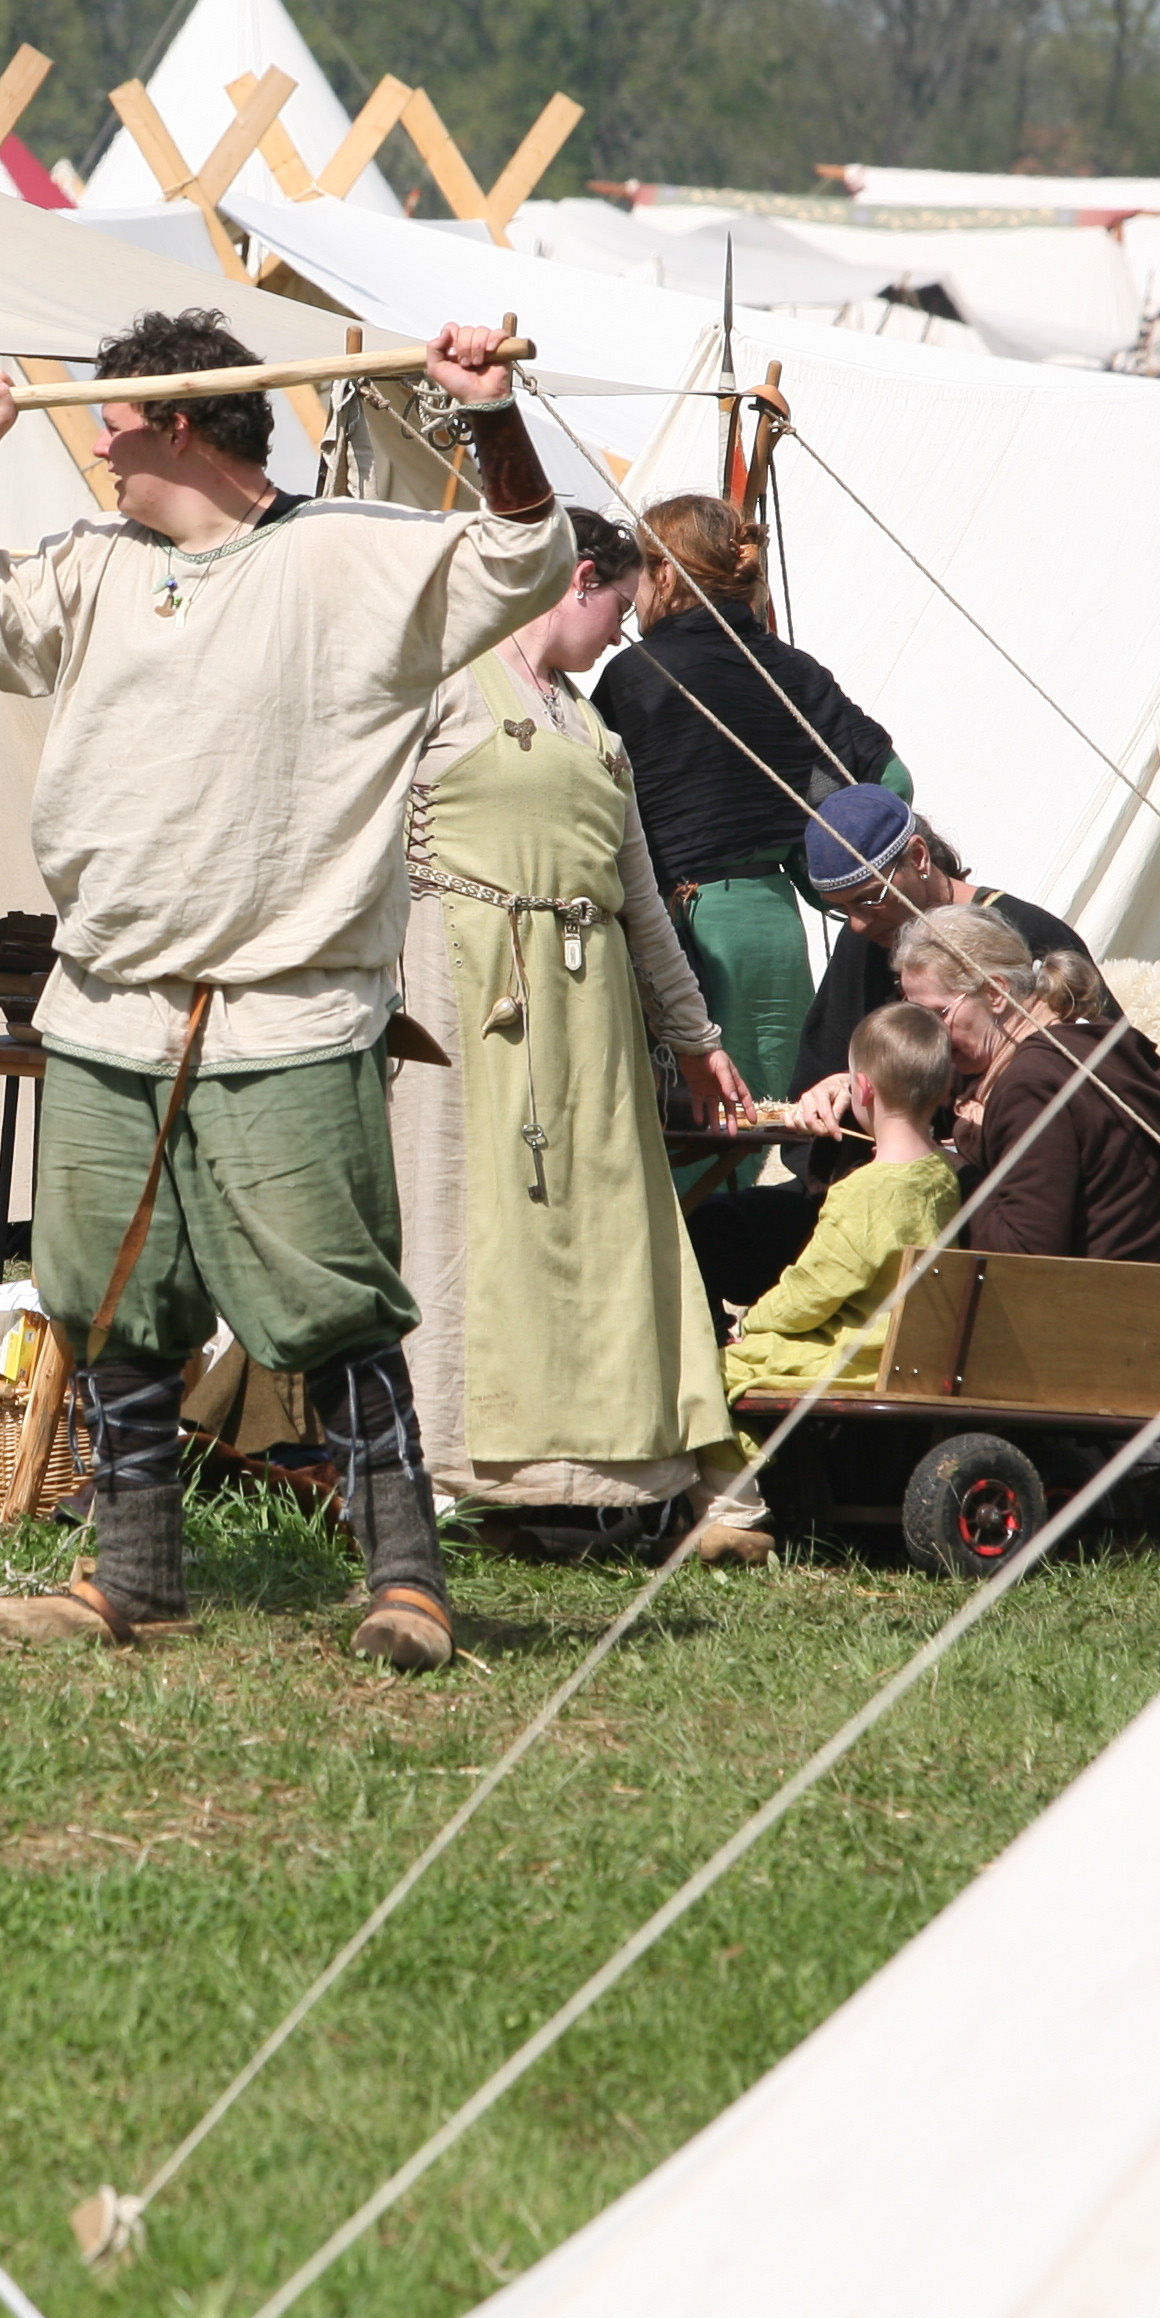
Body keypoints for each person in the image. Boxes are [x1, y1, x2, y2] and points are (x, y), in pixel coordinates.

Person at [0, 308, 570, 1673]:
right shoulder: (91, 566)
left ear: (181, 423)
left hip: (285, 1006)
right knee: (108, 1298)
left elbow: (524, 556)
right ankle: (134, 1575)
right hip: (108, 1002)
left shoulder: (346, 553)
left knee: (331, 1303)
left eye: (114, 422)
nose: (97, 445)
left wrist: (491, 415)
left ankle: (407, 1581)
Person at [392, 503, 765, 1560]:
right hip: (464, 989)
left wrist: (693, 1035)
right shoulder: (444, 683)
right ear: (577, 580)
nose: (621, 634)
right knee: (461, 1223)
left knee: (614, 1231)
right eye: (618, 609)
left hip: (590, 1015)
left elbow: (639, 896)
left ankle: (634, 1473)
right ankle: (442, 1469)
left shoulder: (596, 730)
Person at [684, 781, 1091, 1308]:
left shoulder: (1027, 936)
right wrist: (835, 1092)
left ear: (918, 858)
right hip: (869, 1193)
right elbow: (823, 1077)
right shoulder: (868, 938)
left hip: (978, 1203)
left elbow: (1073, 1104)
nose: (857, 922)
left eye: (868, 899)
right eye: (840, 909)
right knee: (710, 1232)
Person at [588, 493, 902, 1123]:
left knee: (693, 1129)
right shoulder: (792, 668)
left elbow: (591, 806)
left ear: (665, 573)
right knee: (774, 1121)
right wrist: (819, 867)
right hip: (775, 922)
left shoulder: (635, 676)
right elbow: (888, 781)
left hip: (682, 932)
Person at [893, 904, 1160, 1264]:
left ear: (996, 993)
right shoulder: (1100, 1041)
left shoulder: (1031, 1085)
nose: (930, 1036)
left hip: (1109, 1293)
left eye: (937, 1015)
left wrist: (951, 1169)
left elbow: (1023, 1256)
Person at [716, 1003, 960, 1401]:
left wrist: (754, 1322)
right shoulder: (944, 1174)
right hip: (911, 1354)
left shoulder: (863, 1192)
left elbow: (814, 1289)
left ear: (862, 1088)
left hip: (859, 1359)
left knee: (711, 1372)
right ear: (946, 1087)